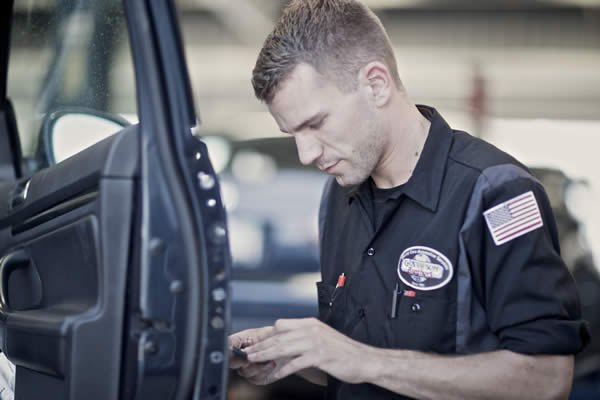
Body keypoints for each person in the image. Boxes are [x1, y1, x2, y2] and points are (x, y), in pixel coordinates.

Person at [229, 0, 590, 398]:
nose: (306, 154)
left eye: (316, 123)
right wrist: (298, 356)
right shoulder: (338, 197)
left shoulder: (495, 195)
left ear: (376, 84)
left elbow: (546, 380)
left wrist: (361, 358)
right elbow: (357, 364)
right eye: (292, 133)